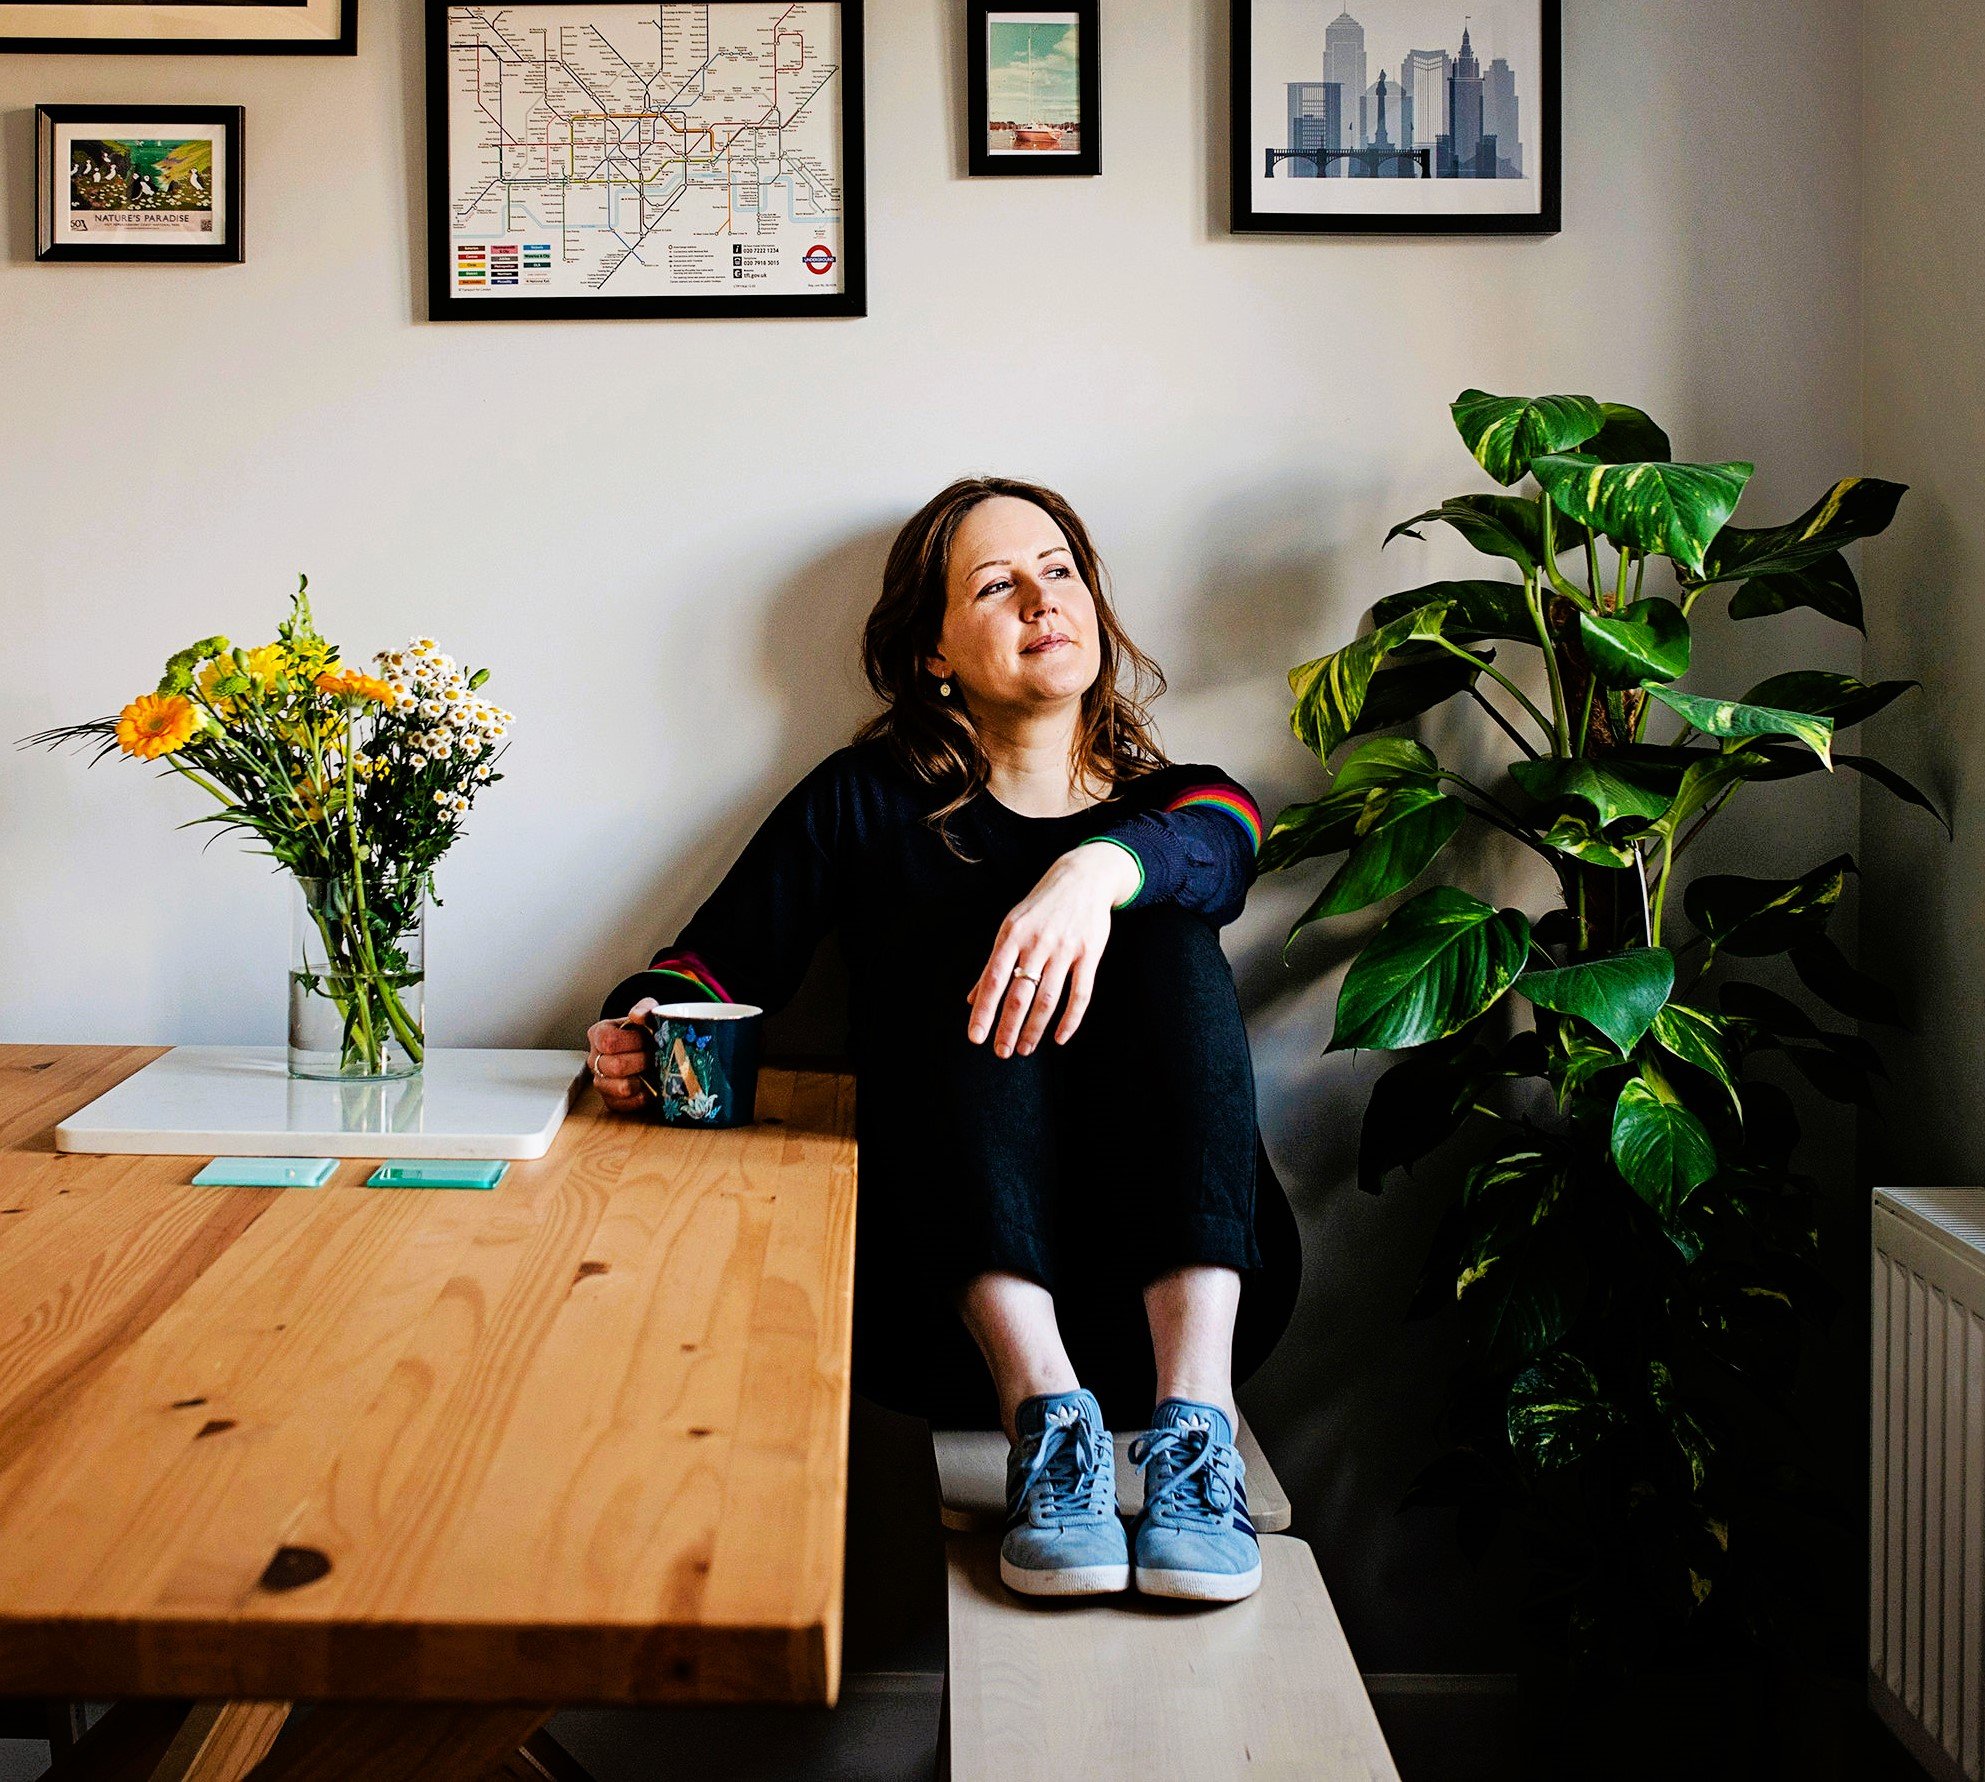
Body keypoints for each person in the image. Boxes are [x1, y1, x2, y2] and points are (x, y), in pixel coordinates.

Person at [588, 476, 1299, 1604]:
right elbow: (711, 967)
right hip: (947, 1315)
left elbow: (1224, 850)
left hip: (1163, 1313)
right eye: (995, 584)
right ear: (932, 650)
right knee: (966, 922)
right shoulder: (863, 803)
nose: (1040, 599)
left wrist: (1091, 869)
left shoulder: (1186, 803)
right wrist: (641, 1028)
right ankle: (1047, 1426)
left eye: (1059, 572)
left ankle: (1194, 1437)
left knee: (1161, 933)